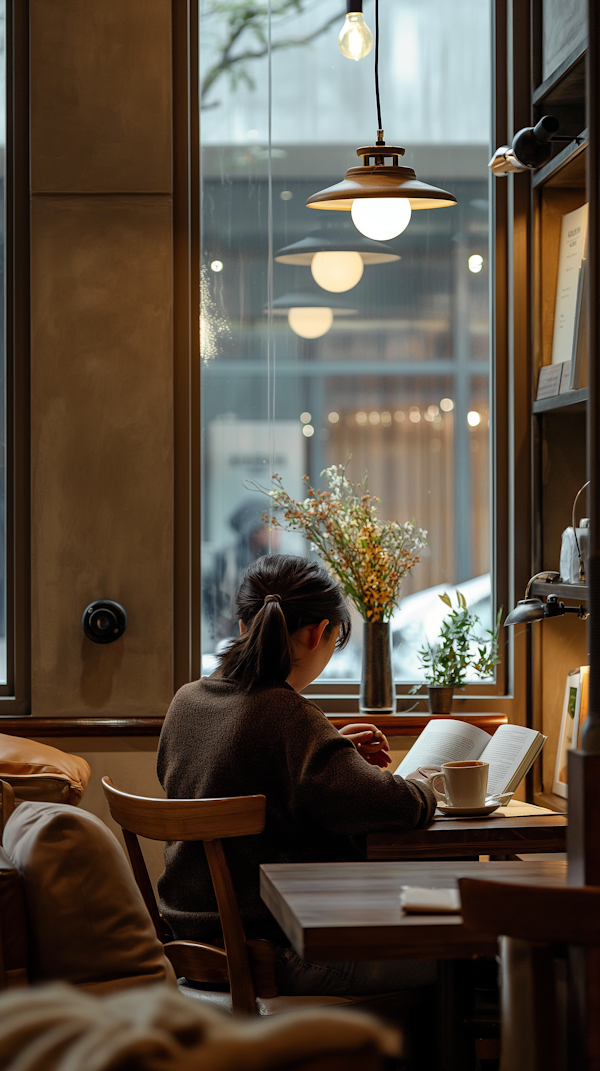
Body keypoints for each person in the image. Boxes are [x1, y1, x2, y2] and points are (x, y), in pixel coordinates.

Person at [157, 553, 436, 996]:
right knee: (453, 962)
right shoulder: (286, 714)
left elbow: (235, 772)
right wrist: (428, 786)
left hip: (191, 948)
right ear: (319, 632)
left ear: (245, 625)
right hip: (274, 955)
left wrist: (330, 747)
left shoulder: (187, 702)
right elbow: (398, 805)